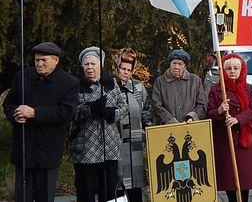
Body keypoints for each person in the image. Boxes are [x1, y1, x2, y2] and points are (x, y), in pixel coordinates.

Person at [2, 42, 78, 202]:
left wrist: (35, 113)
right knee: (23, 196)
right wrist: (14, 115)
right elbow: (8, 102)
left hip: (47, 151)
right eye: (37, 60)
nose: (39, 63)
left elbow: (66, 111)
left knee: (44, 196)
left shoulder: (68, 83)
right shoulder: (23, 77)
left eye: (44, 60)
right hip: (24, 147)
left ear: (55, 60)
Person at [69, 46, 128, 202]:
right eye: (86, 64)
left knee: (109, 192)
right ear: (82, 66)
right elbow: (70, 112)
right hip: (85, 148)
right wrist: (91, 108)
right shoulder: (75, 87)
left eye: (93, 64)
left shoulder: (112, 84)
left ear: (100, 65)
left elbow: (123, 107)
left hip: (109, 147)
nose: (90, 67)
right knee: (85, 191)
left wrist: (111, 113)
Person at [207, 54, 252, 202]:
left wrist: (237, 119)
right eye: (228, 68)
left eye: (236, 68)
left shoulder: (248, 88)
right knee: (230, 180)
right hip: (225, 141)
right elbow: (209, 113)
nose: (232, 71)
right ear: (223, 70)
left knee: (244, 181)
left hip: (244, 140)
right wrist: (220, 110)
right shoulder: (216, 89)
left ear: (241, 70)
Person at [113, 48, 152, 202]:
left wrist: (147, 130)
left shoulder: (138, 87)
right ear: (117, 67)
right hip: (116, 144)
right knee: (118, 185)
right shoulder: (110, 87)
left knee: (136, 186)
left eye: (129, 70)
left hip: (136, 144)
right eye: (123, 69)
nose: (126, 72)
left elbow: (145, 112)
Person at [152, 49, 207, 123]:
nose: (176, 67)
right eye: (174, 63)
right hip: (168, 128)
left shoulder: (195, 80)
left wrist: (191, 117)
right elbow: (156, 105)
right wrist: (170, 120)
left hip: (190, 125)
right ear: (170, 64)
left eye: (180, 64)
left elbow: (202, 104)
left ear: (185, 66)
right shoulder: (160, 81)